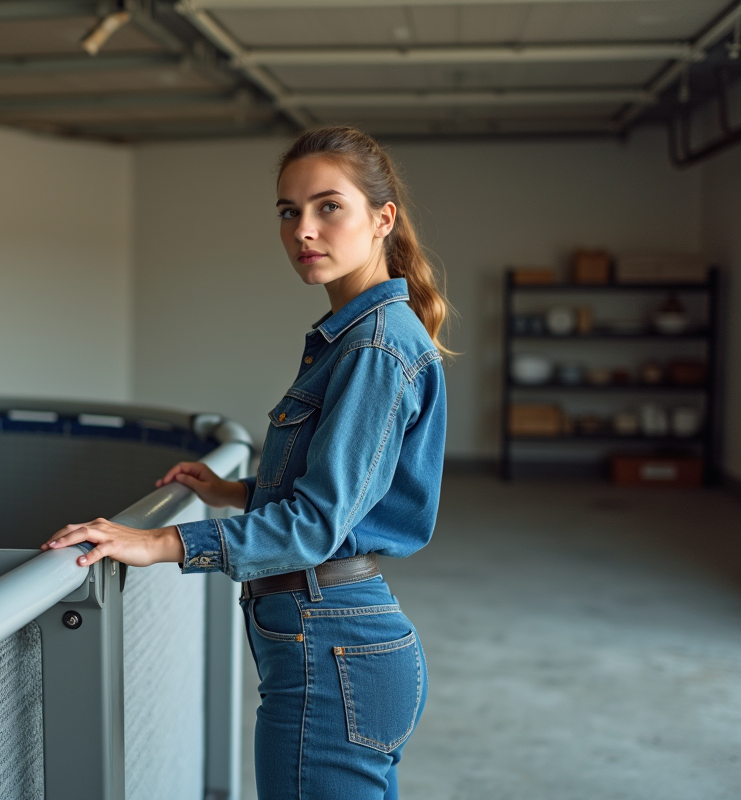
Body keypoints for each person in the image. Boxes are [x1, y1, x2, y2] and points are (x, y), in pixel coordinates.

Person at [43, 125, 449, 799]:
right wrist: (237, 491)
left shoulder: (373, 346)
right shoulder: (356, 335)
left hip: (330, 648)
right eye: (289, 212)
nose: (303, 231)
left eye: (328, 207)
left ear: (383, 219)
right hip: (335, 646)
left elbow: (317, 525)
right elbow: (340, 492)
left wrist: (158, 543)